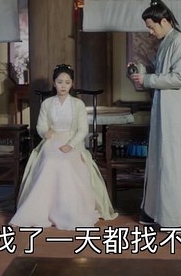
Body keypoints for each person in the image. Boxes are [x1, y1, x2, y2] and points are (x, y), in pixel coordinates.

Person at [10, 64, 117, 230]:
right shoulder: (47, 103)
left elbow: (83, 130)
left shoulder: (78, 104)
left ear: (72, 84)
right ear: (54, 83)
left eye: (67, 82)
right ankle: (40, 211)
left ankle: (69, 212)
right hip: (52, 139)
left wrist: (70, 145)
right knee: (49, 161)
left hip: (72, 140)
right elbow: (41, 125)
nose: (63, 86)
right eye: (60, 82)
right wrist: (45, 133)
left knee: (66, 162)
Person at [129, 0, 181, 228]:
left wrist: (147, 79)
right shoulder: (166, 42)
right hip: (164, 108)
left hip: (175, 111)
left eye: (152, 27)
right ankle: (157, 211)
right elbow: (160, 73)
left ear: (164, 20)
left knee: (172, 161)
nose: (150, 32)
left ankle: (175, 216)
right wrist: (141, 72)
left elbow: (180, 78)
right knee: (160, 160)